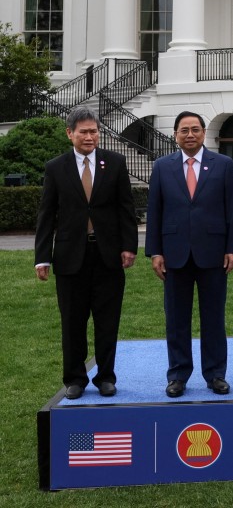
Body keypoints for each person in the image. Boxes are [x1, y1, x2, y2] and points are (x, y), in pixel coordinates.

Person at [35, 107, 137, 399]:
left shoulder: (115, 163)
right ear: (70, 134)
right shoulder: (56, 167)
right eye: (84, 132)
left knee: (107, 321)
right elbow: (46, 215)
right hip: (70, 258)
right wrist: (42, 256)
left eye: (94, 131)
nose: (90, 136)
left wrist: (129, 246)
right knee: (72, 322)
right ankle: (75, 379)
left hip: (108, 256)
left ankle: (106, 377)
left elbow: (125, 209)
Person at [146, 111, 233, 398]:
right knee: (176, 319)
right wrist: (155, 252)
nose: (190, 134)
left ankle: (215, 374)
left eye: (196, 129)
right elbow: (155, 212)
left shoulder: (223, 165)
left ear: (203, 133)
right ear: (175, 134)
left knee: (214, 317)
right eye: (184, 130)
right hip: (174, 254)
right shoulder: (162, 167)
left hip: (213, 254)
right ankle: (178, 375)